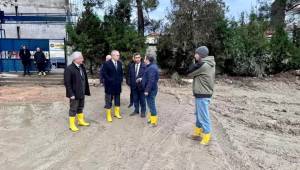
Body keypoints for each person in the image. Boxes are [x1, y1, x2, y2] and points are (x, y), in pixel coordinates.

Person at [187, 46, 215, 145]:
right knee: (198, 115)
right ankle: (197, 133)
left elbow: (189, 73)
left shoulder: (204, 65)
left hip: (203, 94)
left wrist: (195, 62)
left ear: (200, 55)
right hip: (201, 93)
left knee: (203, 116)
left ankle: (207, 136)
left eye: (196, 54)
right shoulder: (206, 63)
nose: (195, 55)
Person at [64, 51, 91, 132]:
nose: (83, 59)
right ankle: (72, 125)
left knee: (80, 107)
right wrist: (71, 94)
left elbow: (84, 79)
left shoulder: (81, 66)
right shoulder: (69, 69)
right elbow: (67, 83)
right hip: (74, 94)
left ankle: (81, 121)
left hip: (81, 92)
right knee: (73, 109)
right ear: (76, 59)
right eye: (81, 58)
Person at [102, 50, 123, 122]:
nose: (118, 56)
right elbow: (104, 74)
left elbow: (121, 73)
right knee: (108, 101)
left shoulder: (119, 63)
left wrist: (120, 80)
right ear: (113, 56)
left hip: (117, 85)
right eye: (117, 55)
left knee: (117, 99)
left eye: (119, 55)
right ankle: (108, 115)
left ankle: (117, 113)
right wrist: (110, 80)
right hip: (109, 85)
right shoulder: (106, 63)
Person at [141, 55, 159, 126]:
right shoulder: (150, 66)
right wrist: (141, 79)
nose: (144, 60)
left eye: (144, 59)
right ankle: (152, 118)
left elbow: (151, 80)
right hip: (151, 89)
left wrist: (147, 90)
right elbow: (148, 77)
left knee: (151, 105)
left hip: (150, 90)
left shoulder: (152, 68)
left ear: (147, 60)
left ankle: (154, 122)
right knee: (150, 104)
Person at [128, 53, 146, 117]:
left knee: (142, 100)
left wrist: (142, 79)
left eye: (138, 57)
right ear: (134, 58)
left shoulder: (144, 66)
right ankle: (136, 110)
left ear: (140, 58)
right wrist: (129, 83)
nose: (137, 59)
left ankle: (143, 112)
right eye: (136, 57)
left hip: (141, 86)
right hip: (133, 86)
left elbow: (146, 76)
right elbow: (129, 75)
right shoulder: (132, 65)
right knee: (135, 99)